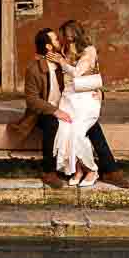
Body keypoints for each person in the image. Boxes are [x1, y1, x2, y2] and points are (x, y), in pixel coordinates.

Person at [9, 25, 126, 189]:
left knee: (92, 126)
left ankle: (110, 170)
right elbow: (32, 100)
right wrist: (55, 111)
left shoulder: (63, 62)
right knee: (53, 123)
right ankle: (49, 171)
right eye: (56, 39)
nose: (61, 40)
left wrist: (98, 92)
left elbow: (81, 80)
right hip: (45, 112)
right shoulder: (34, 69)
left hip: (69, 107)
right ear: (49, 46)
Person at [48, 20, 102, 186]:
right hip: (68, 99)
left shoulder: (89, 50)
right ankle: (78, 170)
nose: (64, 39)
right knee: (66, 134)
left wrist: (62, 62)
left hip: (86, 98)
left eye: (65, 35)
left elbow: (78, 73)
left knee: (78, 134)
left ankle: (92, 170)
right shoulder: (64, 50)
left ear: (73, 34)